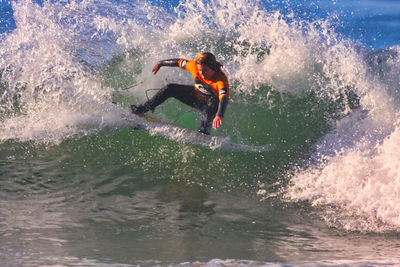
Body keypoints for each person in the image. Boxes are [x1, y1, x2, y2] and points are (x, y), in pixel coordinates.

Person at [130, 52, 229, 135]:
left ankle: (203, 132)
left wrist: (219, 115)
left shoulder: (221, 79)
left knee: (211, 106)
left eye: (205, 71)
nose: (202, 74)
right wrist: (160, 63)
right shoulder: (193, 66)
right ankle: (142, 109)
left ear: (213, 67)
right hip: (195, 97)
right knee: (170, 88)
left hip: (210, 104)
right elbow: (178, 62)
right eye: (200, 70)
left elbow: (224, 98)